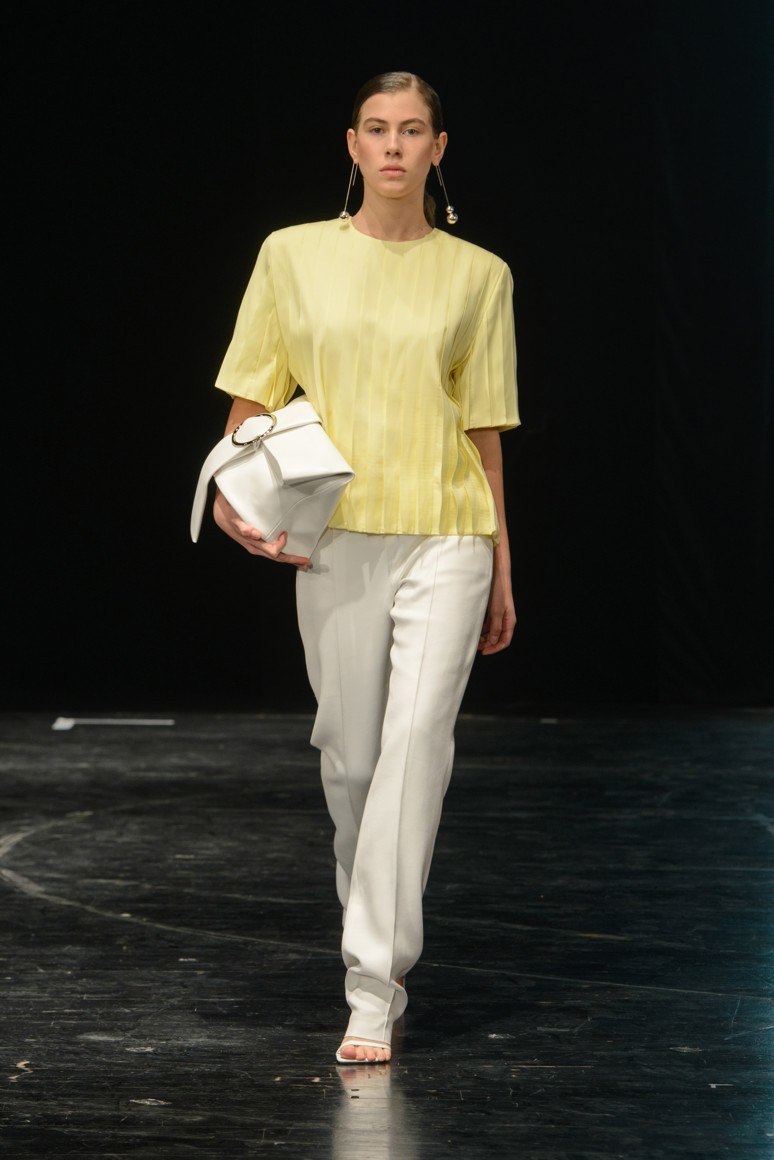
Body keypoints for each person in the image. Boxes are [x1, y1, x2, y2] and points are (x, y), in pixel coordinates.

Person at [209, 71, 520, 1064]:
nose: (394, 146)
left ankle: (373, 985)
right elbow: (251, 397)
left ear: (438, 147)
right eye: (377, 129)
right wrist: (229, 492)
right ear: (351, 144)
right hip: (336, 533)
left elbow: (483, 429)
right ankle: (370, 925)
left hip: (447, 533)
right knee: (350, 758)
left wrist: (502, 564)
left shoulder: (480, 274)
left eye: (412, 130)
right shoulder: (291, 256)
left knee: (416, 746)